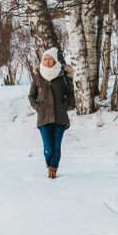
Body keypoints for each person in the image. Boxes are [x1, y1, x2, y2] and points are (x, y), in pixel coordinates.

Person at [28, 47, 74, 179]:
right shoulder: (38, 76)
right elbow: (31, 96)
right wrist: (38, 107)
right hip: (44, 117)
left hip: (60, 117)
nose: (47, 61)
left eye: (50, 59)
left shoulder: (63, 76)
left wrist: (64, 106)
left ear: (55, 60)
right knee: (48, 147)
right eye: (45, 59)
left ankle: (53, 171)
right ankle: (49, 164)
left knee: (56, 146)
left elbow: (71, 95)